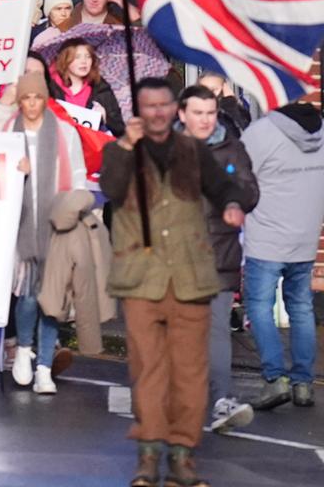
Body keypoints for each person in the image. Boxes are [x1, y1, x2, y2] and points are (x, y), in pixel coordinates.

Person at [100, 78, 244, 487]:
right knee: (148, 370)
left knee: (189, 371)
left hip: (190, 276)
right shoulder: (121, 151)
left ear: (175, 110)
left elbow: (224, 186)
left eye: (165, 104)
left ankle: (183, 456)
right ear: (139, 111)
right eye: (150, 105)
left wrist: (233, 205)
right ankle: (148, 457)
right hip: (141, 279)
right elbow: (110, 187)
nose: (158, 112)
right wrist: (128, 147)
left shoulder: (193, 151)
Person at [0, 71, 86, 396]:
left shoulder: (65, 133)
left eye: (36, 97)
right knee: (27, 295)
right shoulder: (7, 131)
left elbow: (79, 175)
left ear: (45, 99)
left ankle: (44, 366)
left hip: (57, 223)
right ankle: (24, 352)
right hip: (21, 224)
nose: (31, 104)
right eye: (26, 97)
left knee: (52, 299)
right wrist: (7, 95)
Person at [177, 84, 260, 433]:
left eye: (210, 113)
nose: (205, 120)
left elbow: (250, 188)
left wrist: (234, 201)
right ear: (183, 115)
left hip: (219, 254)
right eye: (198, 113)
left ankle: (221, 400)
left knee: (215, 331)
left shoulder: (231, 147)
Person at [240, 96, 324, 412]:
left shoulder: (260, 133)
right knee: (301, 307)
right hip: (305, 236)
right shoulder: (321, 131)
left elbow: (238, 177)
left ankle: (275, 379)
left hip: (267, 235)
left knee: (260, 304)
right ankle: (303, 384)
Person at [47, 39, 125, 136]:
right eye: (77, 57)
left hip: (92, 145)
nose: (84, 62)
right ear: (65, 59)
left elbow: (120, 129)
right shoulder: (50, 87)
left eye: (88, 57)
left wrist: (105, 118)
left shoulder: (100, 87)